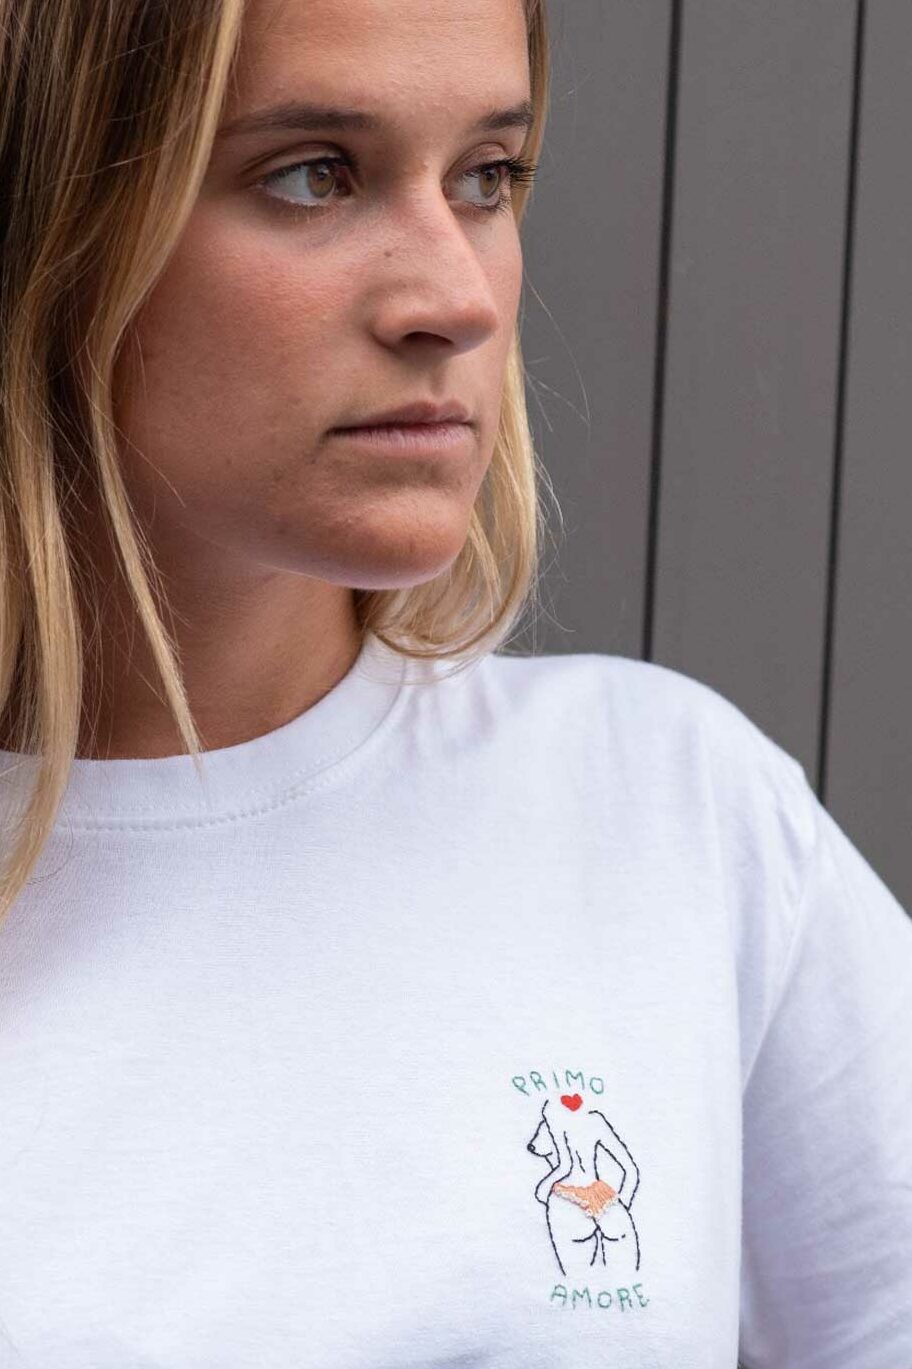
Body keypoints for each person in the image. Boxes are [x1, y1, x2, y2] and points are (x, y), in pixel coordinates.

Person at [0, 0, 909, 1365]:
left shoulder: (670, 814)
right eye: (312, 173)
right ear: (52, 215)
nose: (459, 299)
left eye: (487, 177)